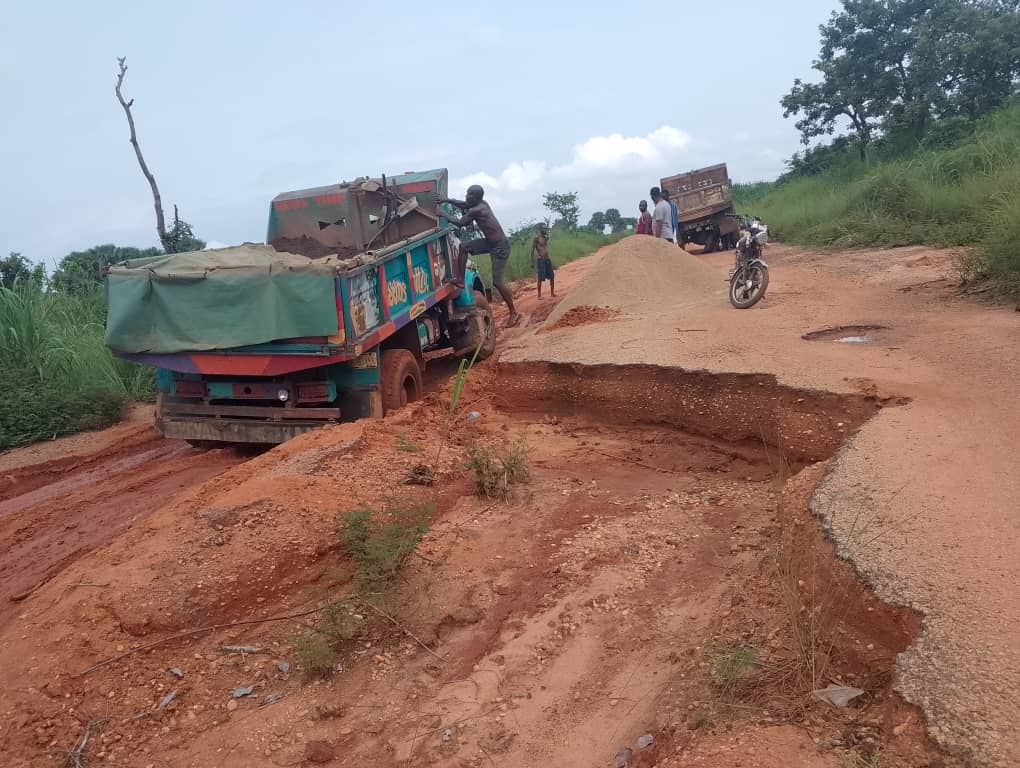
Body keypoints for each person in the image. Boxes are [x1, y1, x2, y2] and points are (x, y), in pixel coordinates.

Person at [437, 185, 519, 326]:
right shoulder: (480, 204)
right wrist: (447, 200)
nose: (466, 196)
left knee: (497, 282)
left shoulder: (478, 210)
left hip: (500, 247)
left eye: (469, 194)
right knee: (464, 247)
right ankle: (461, 280)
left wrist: (442, 214)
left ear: (476, 197)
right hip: (490, 243)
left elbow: (460, 223)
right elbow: (463, 204)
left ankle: (513, 312)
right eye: (467, 193)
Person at [532, 223, 555, 299]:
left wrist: (546, 234)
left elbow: (546, 242)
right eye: (544, 229)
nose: (546, 230)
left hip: (547, 259)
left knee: (552, 276)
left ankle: (552, 293)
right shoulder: (536, 239)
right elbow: (532, 250)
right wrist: (532, 262)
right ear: (541, 230)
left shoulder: (545, 238)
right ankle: (539, 296)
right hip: (541, 259)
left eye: (546, 229)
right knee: (540, 278)